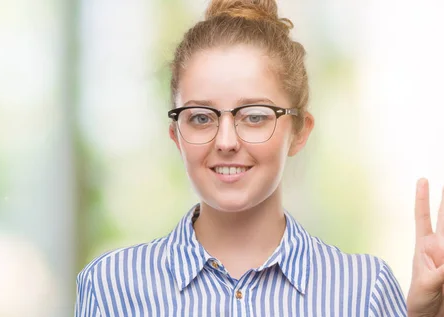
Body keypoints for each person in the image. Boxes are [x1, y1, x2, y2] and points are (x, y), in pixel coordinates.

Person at [75, 0, 444, 316]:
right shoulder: (112, 287)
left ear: (299, 131)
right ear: (176, 135)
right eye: (201, 117)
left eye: (254, 116)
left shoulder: (363, 289)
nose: (226, 141)